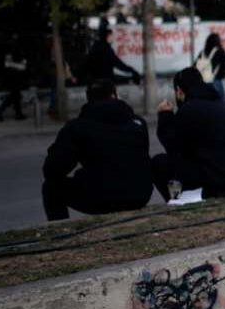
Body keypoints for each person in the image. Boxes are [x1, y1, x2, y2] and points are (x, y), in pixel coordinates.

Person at [42, 80, 152, 221]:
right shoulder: (138, 122)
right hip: (140, 195)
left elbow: (53, 170)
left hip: (101, 199)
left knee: (51, 187)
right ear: (115, 95)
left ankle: (62, 230)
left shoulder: (76, 127)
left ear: (88, 99)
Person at [152, 67, 225, 203]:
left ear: (179, 91)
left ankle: (177, 200)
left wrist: (165, 115)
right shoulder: (220, 104)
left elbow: (172, 147)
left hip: (224, 182)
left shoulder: (189, 109)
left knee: (159, 163)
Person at [0, 38, 29, 121]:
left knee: (16, 95)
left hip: (14, 76)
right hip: (12, 76)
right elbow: (8, 64)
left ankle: (17, 113)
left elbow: (21, 65)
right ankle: (1, 110)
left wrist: (20, 66)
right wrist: (19, 66)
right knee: (15, 94)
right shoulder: (10, 51)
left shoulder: (14, 51)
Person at [197, 32, 225, 100]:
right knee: (221, 104)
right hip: (215, 80)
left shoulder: (202, 52)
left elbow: (196, 65)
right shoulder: (220, 51)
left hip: (203, 82)